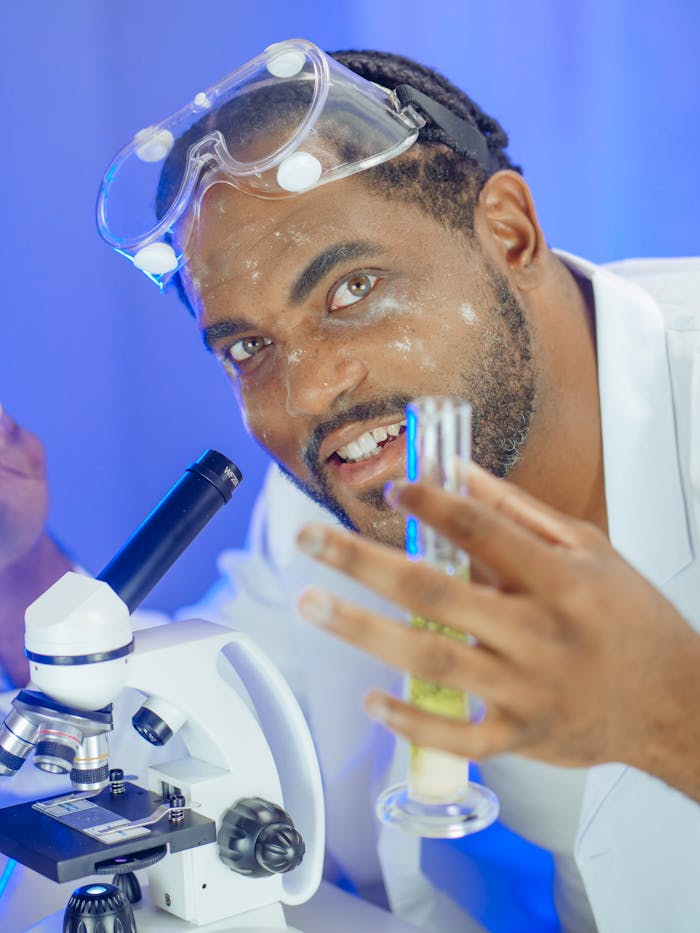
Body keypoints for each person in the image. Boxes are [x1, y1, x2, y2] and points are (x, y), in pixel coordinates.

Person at [0, 39, 699, 932]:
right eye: (249, 347)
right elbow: (193, 716)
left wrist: (676, 712)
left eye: (352, 286)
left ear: (510, 231)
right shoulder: (343, 487)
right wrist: (17, 562)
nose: (308, 393)